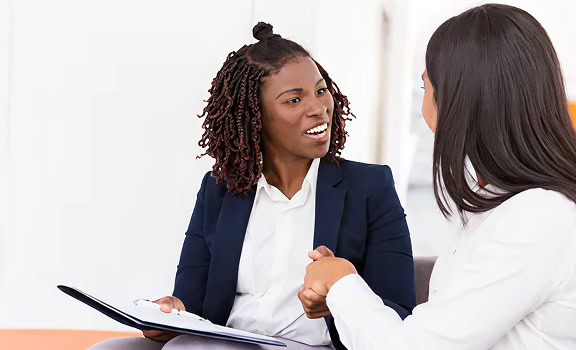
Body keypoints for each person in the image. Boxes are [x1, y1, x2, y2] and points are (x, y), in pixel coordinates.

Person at [303, 4, 576, 350]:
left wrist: (342, 283)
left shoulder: (539, 217)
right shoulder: (502, 203)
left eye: (425, 85)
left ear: (457, 99)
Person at [89, 22, 416, 350]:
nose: (318, 109)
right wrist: (169, 315)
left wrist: (342, 297)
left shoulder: (369, 187)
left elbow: (399, 314)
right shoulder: (219, 190)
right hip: (224, 341)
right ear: (254, 116)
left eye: (320, 90)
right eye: (293, 100)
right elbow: (190, 302)